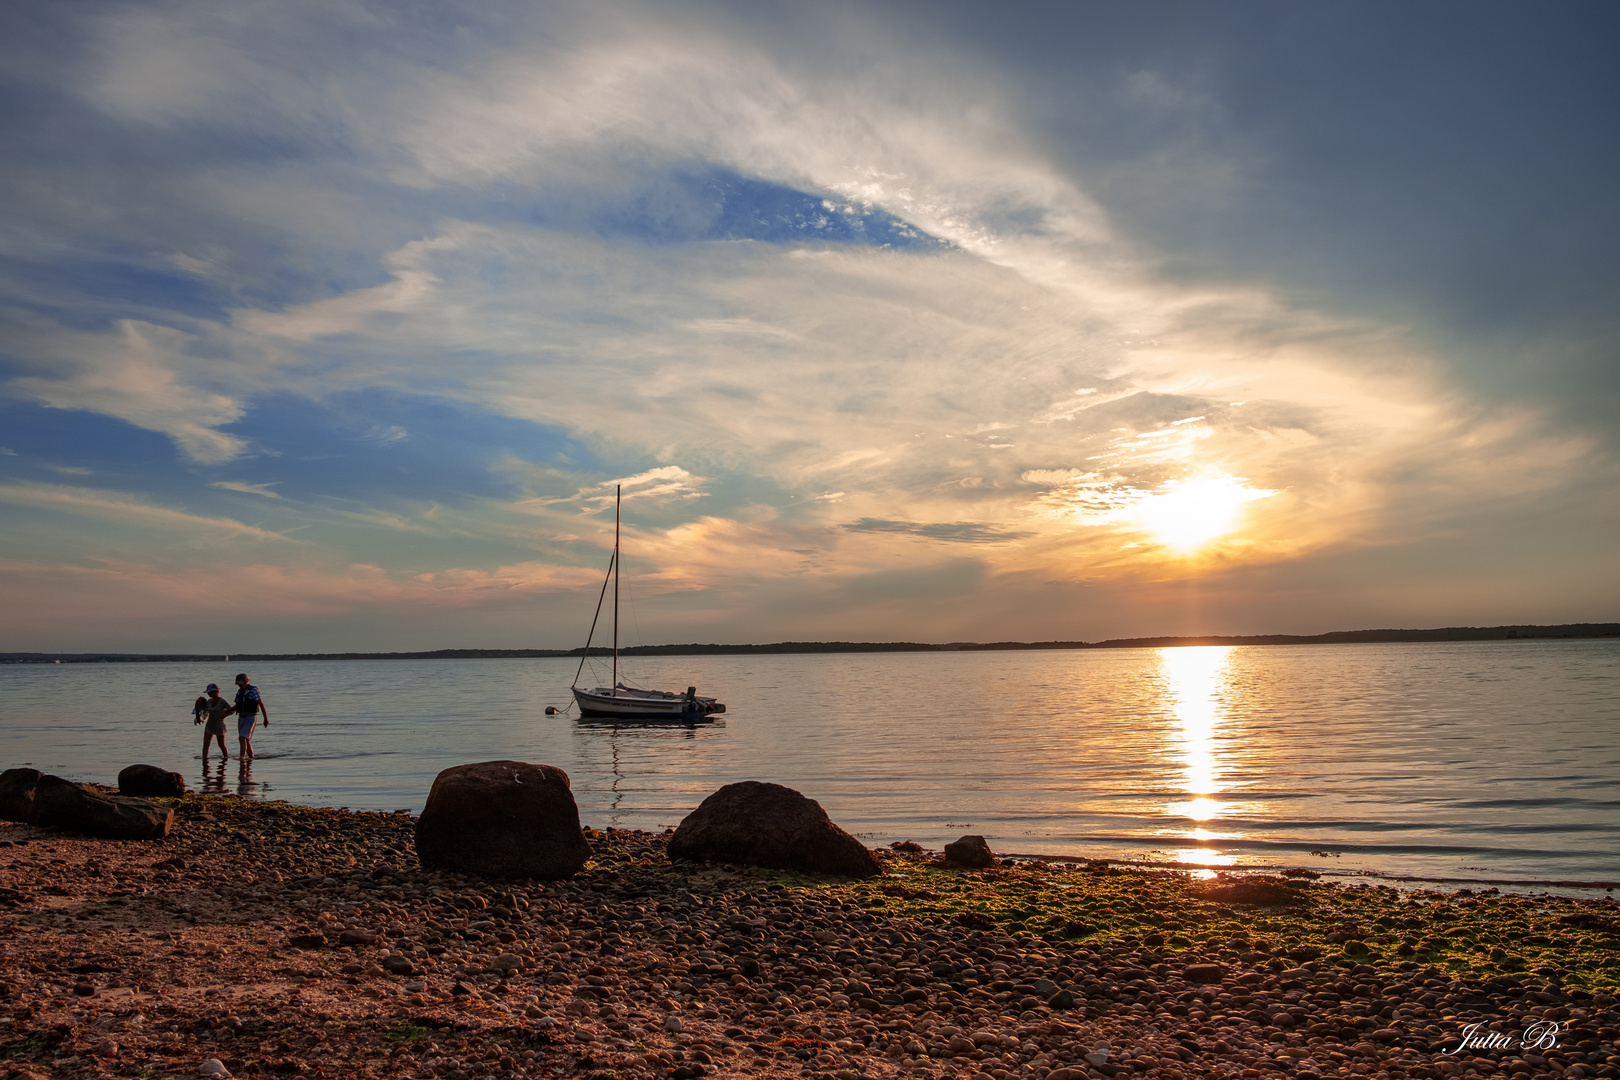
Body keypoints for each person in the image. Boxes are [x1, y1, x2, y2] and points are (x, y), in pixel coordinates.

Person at [232, 673, 268, 762]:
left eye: (241, 683)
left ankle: (242, 758)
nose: (240, 685)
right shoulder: (240, 692)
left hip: (250, 717)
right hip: (241, 717)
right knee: (246, 740)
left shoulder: (253, 690)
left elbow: (261, 704)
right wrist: (225, 713)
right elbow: (237, 706)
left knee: (242, 738)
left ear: (246, 681)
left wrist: (265, 718)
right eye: (239, 684)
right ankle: (250, 759)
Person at [195, 682, 233, 764]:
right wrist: (198, 704)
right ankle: (204, 761)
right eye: (208, 692)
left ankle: (225, 759)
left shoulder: (222, 701)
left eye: (210, 692)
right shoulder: (208, 702)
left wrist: (225, 714)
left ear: (216, 692)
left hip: (219, 725)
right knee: (206, 745)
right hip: (210, 724)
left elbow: (231, 710)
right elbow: (202, 714)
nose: (209, 694)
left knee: (221, 745)